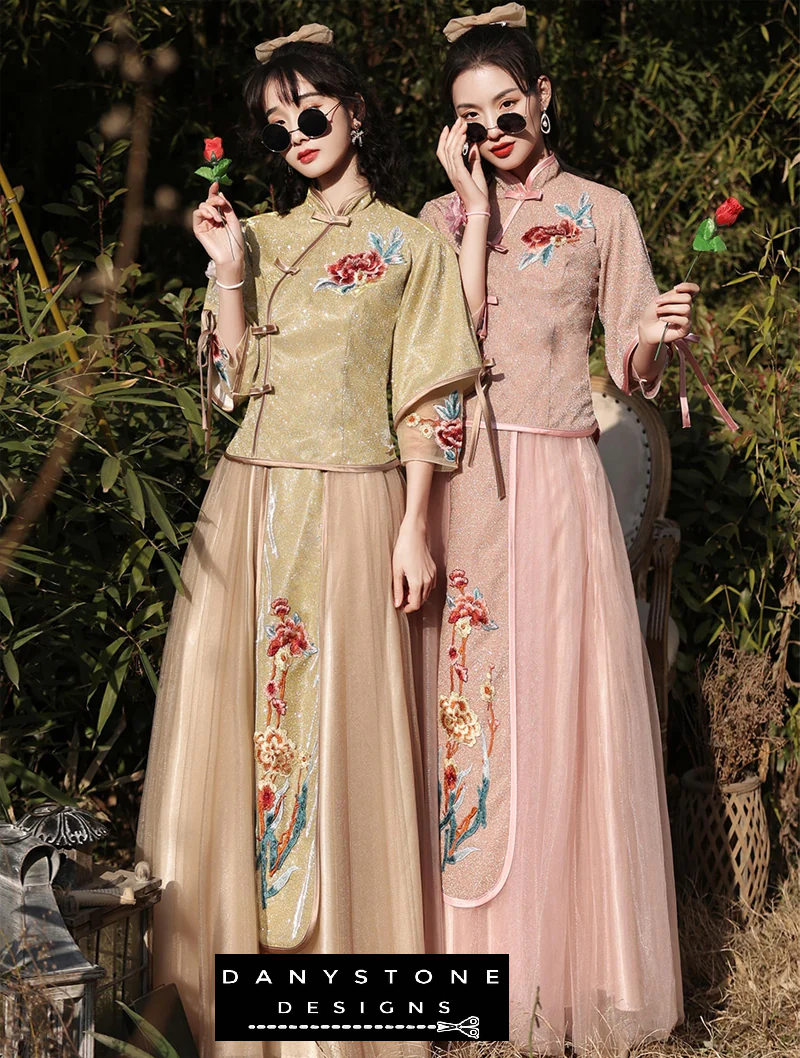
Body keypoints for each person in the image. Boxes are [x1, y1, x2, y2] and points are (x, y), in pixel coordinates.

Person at [136, 23, 481, 1058]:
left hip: (356, 502)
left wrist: (416, 525)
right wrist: (227, 269)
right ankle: (222, 990)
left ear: (357, 113)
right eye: (276, 122)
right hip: (249, 503)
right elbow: (228, 387)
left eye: (314, 112)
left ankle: (342, 1005)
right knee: (232, 727)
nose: (296, 132)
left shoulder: (411, 245)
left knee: (344, 738)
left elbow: (430, 397)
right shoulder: (264, 237)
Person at [416, 3, 731, 1053]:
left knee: (557, 708)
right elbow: (433, 362)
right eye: (470, 115)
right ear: (449, 129)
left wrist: (654, 339)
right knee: (472, 710)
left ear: (544, 97)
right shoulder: (435, 219)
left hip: (555, 479)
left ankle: (566, 970)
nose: (493, 127)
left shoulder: (603, 210)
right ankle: (463, 968)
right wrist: (463, 207)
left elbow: (628, 365)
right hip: (462, 485)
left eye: (507, 105)